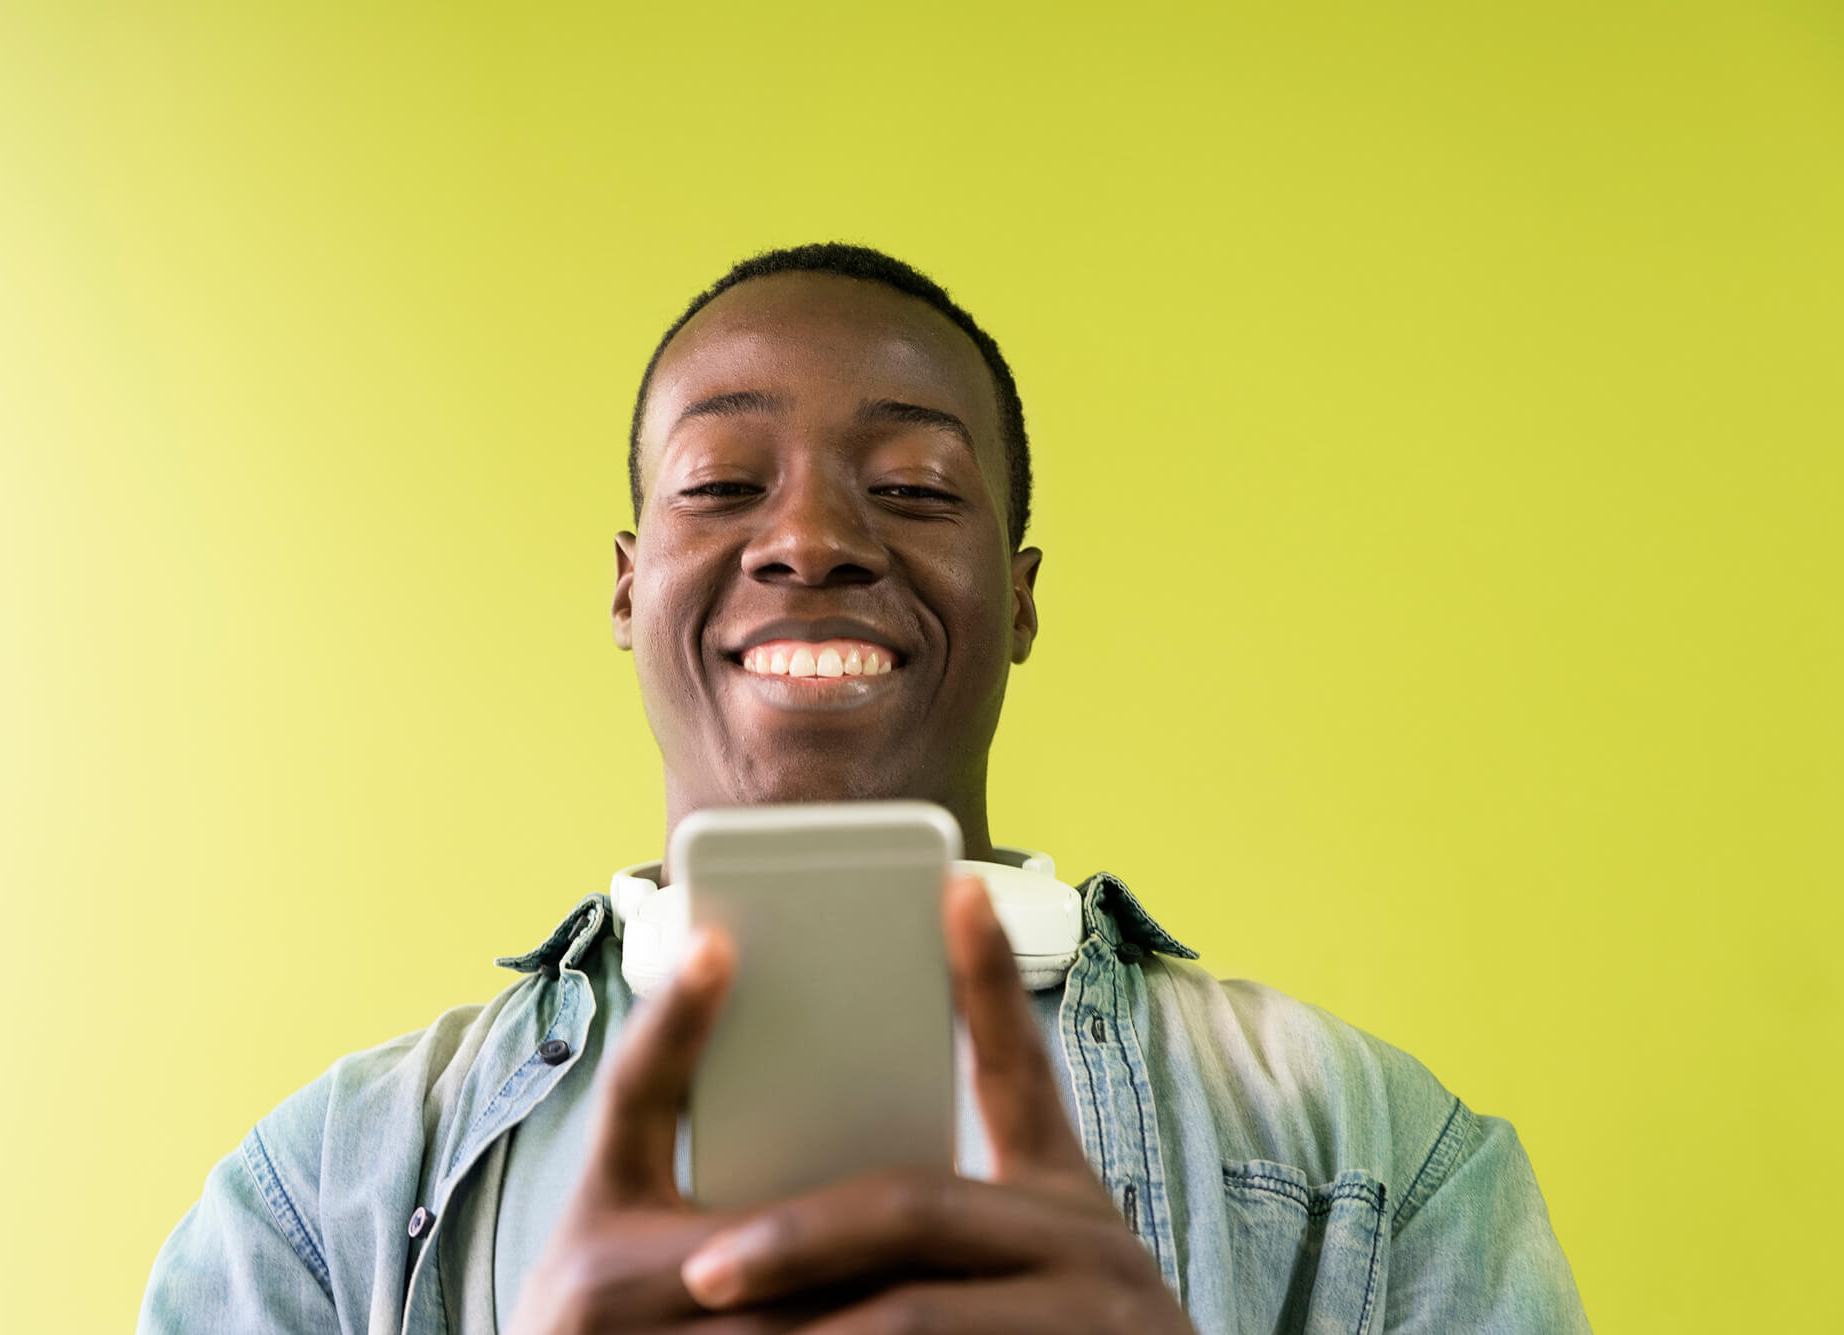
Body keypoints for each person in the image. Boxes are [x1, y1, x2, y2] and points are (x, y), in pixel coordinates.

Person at [139, 243, 1590, 1334]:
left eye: (913, 488)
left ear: (1019, 599)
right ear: (630, 588)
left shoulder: (1377, 1156)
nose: (814, 537)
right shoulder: (322, 1191)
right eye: (722, 483)